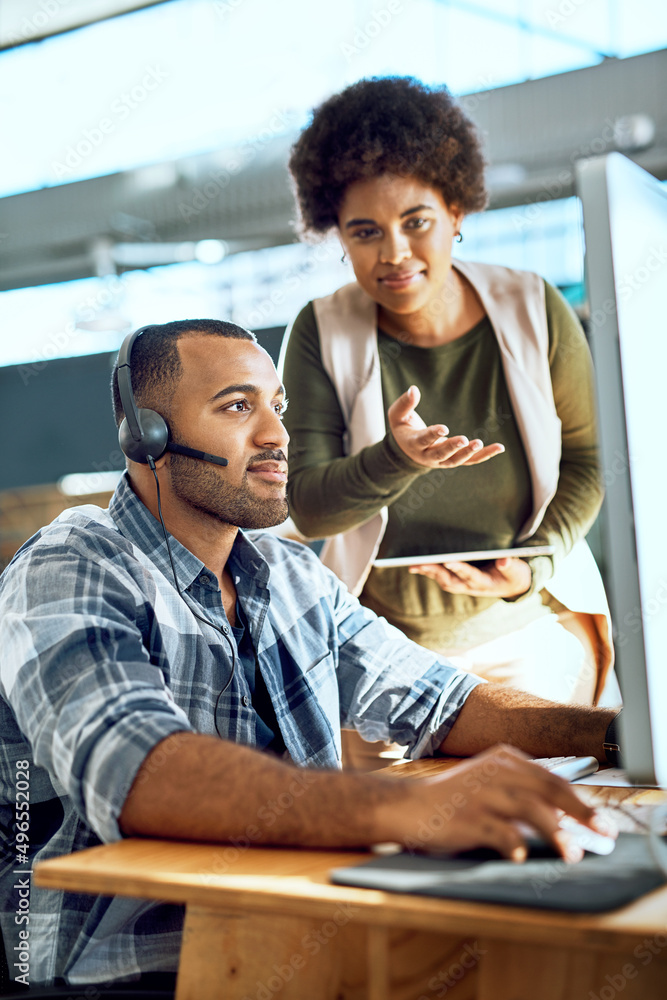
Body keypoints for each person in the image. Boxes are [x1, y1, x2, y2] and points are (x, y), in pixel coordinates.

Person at [0, 321, 617, 990]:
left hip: (287, 927)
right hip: (124, 966)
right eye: (238, 407)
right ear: (145, 435)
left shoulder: (287, 572)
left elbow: (442, 701)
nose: (277, 436)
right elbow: (136, 769)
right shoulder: (71, 567)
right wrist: (403, 809)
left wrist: (614, 736)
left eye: (277, 406)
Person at [280, 77, 616, 771]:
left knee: (541, 844)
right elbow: (307, 508)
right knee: (396, 863)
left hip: (528, 639)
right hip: (383, 662)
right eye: (364, 232)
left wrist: (531, 570)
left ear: (456, 210)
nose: (394, 253)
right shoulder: (320, 331)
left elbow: (588, 459)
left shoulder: (531, 306)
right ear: (335, 235)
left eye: (417, 221)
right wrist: (395, 459)